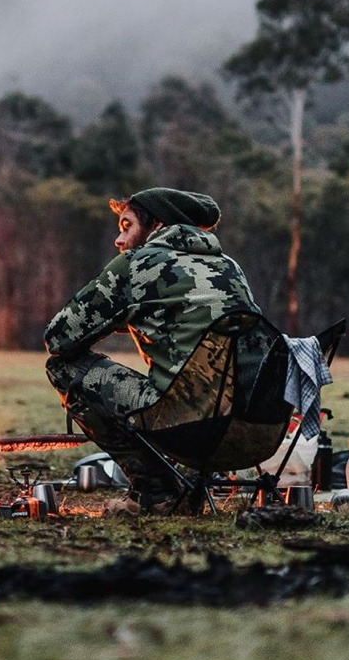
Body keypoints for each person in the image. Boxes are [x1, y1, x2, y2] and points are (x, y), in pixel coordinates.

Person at [44, 186, 261, 512]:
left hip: (188, 425)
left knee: (62, 367)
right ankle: (188, 488)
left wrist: (118, 315)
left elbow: (59, 337)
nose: (119, 240)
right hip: (254, 430)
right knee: (199, 386)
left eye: (127, 226)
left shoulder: (137, 264)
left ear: (157, 225)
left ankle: (157, 493)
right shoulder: (229, 267)